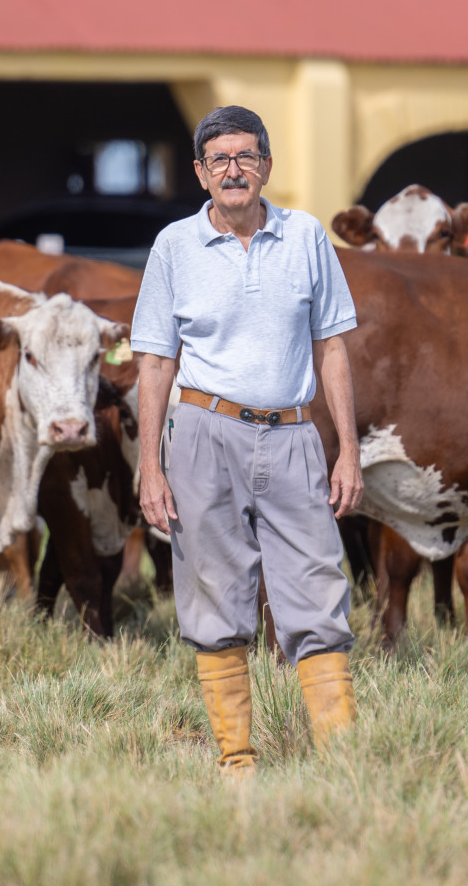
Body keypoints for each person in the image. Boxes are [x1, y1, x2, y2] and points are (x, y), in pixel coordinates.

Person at [131, 105, 364, 774]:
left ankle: (341, 764)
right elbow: (155, 362)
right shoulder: (174, 246)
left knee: (318, 590)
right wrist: (150, 466)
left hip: (292, 434)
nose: (234, 170)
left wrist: (348, 451)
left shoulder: (306, 235)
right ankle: (237, 763)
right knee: (213, 594)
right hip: (202, 434)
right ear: (201, 173)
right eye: (220, 159)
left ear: (266, 166)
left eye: (246, 156)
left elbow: (332, 348)